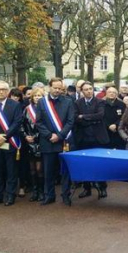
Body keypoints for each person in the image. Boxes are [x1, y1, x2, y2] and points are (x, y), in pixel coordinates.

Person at [35, 78, 75, 206]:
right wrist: (48, 135)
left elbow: (70, 121)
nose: (57, 90)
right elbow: (39, 122)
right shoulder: (42, 102)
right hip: (48, 142)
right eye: (55, 88)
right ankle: (49, 195)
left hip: (64, 141)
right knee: (48, 171)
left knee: (65, 171)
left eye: (60, 88)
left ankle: (65, 195)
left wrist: (60, 135)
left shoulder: (68, 102)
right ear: (49, 87)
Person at [74, 82, 109, 199]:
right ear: (82, 91)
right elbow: (75, 118)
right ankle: (86, 188)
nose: (89, 91)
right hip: (83, 138)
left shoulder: (100, 102)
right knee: (84, 164)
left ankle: (102, 188)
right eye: (86, 89)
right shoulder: (77, 103)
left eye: (90, 89)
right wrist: (90, 118)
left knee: (100, 164)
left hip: (97, 138)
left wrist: (83, 116)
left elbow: (100, 115)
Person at [21, 88, 45, 202]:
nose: (37, 97)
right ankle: (34, 191)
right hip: (29, 142)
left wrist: (35, 137)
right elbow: (21, 124)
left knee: (39, 169)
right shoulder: (26, 109)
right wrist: (26, 136)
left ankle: (41, 191)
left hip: (41, 142)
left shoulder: (46, 109)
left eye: (40, 95)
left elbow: (46, 126)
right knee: (32, 169)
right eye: (35, 96)